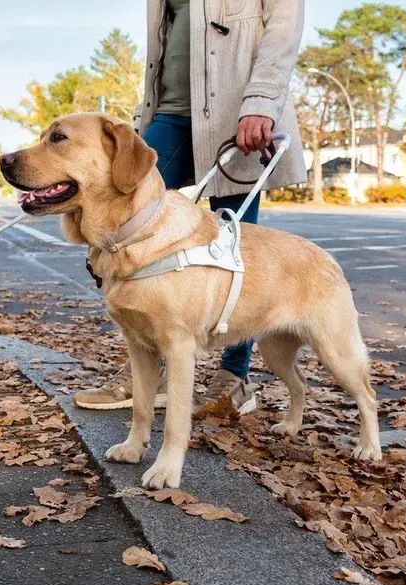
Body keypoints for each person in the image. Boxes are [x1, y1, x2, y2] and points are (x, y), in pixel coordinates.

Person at [73, 0, 306, 412]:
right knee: (120, 222)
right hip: (171, 113)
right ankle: (147, 368)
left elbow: (283, 26)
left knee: (234, 250)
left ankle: (234, 375)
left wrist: (262, 99)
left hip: (237, 110)